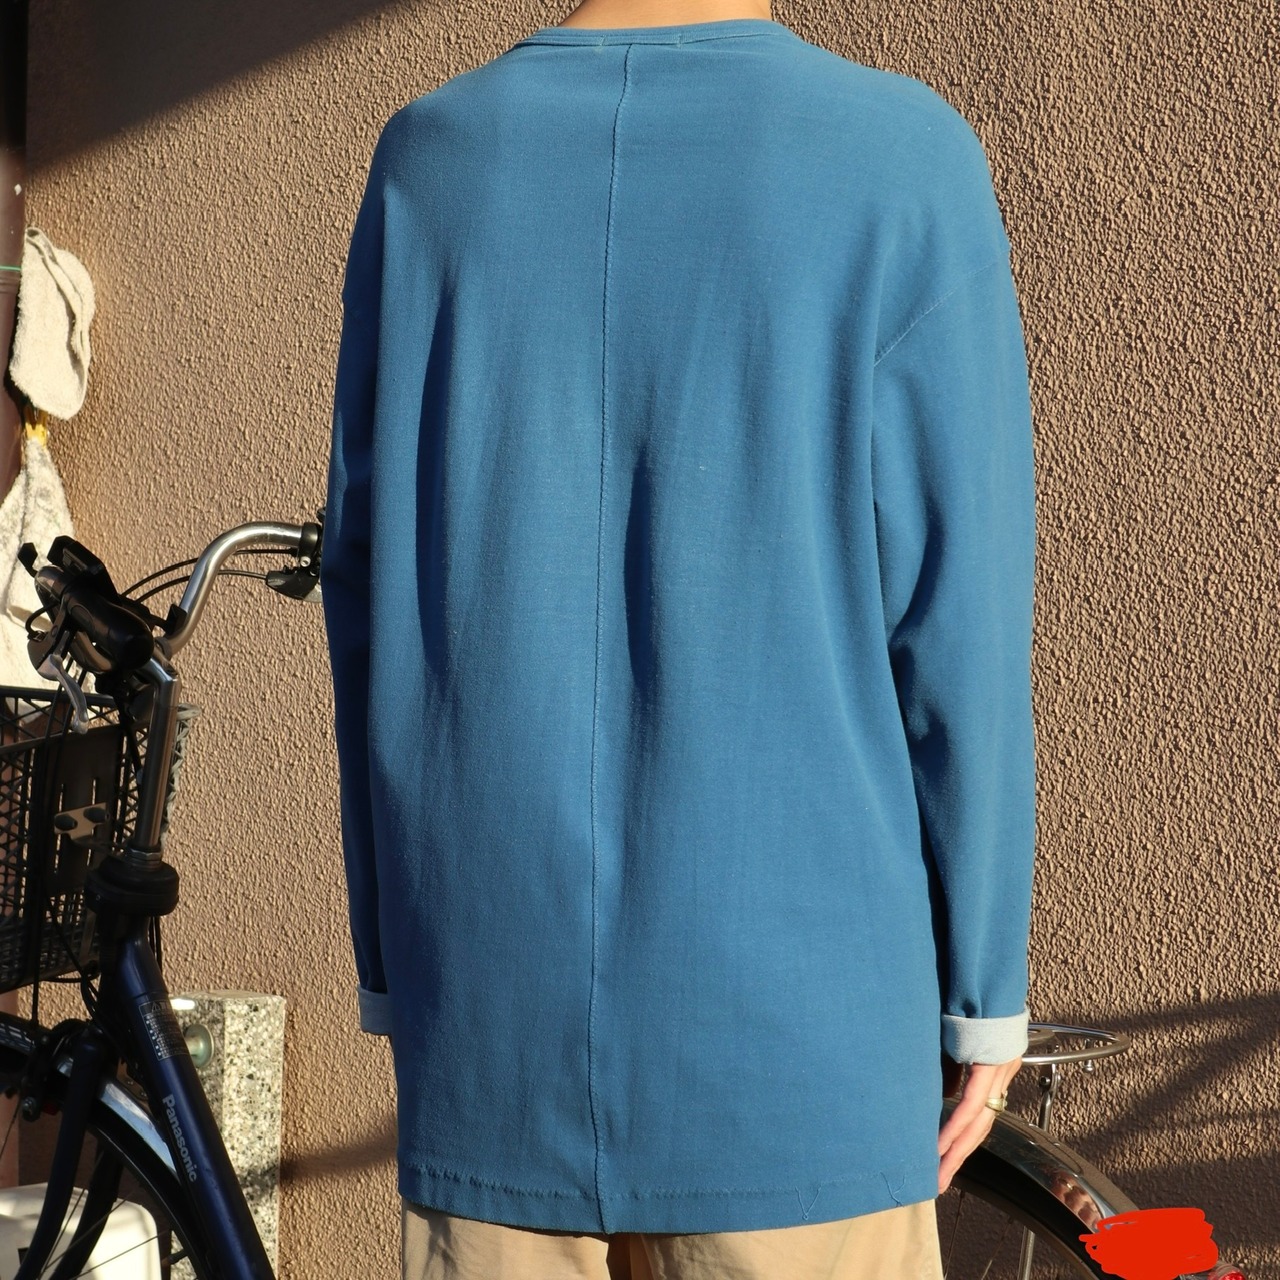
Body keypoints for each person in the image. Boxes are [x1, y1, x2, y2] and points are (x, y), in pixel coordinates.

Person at [321, 0, 1037, 1274]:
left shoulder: (431, 157)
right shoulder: (896, 154)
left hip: (490, 985)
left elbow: (363, 583)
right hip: (800, 1007)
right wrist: (981, 993)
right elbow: (959, 619)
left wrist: (394, 952)